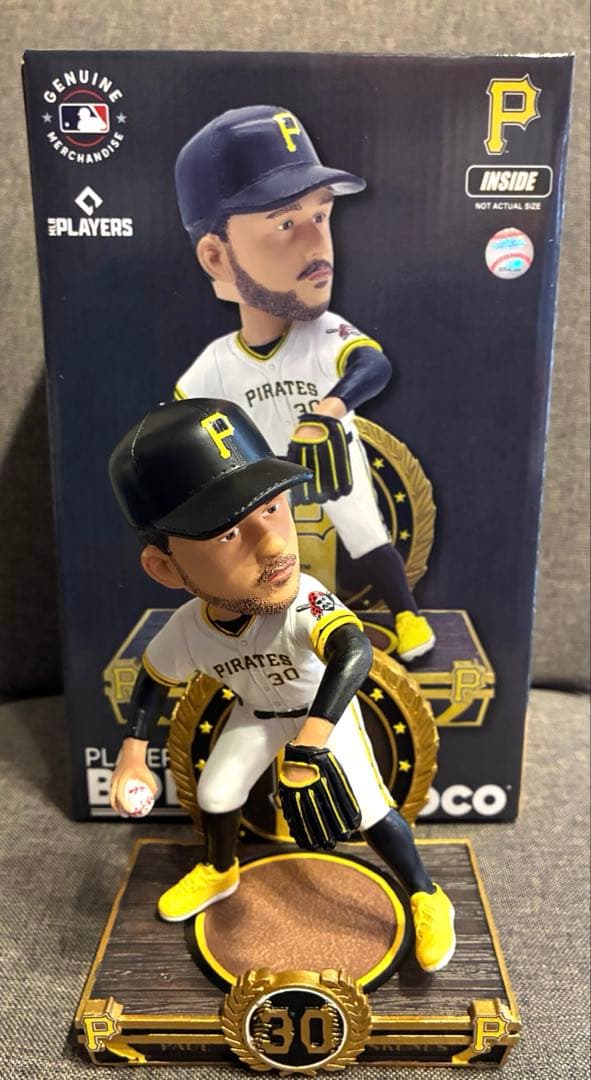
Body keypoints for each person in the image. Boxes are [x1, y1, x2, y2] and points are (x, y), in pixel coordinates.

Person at [108, 396, 455, 973]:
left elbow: (354, 650)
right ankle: (220, 869)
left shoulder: (303, 601)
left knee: (369, 809)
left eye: (271, 507)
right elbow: (153, 677)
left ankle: (427, 895)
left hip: (322, 716)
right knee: (217, 793)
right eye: (227, 534)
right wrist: (132, 755)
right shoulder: (189, 629)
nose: (272, 545)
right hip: (256, 716)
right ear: (166, 567)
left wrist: (312, 743)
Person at [173, 105, 434, 663]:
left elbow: (373, 365)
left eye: (321, 215)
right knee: (259, 554)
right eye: (285, 224)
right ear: (216, 257)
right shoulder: (217, 361)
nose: (317, 245)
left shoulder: (323, 333)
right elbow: (182, 420)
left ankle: (407, 616)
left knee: (365, 533)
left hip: (336, 460)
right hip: (266, 483)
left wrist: (332, 407)